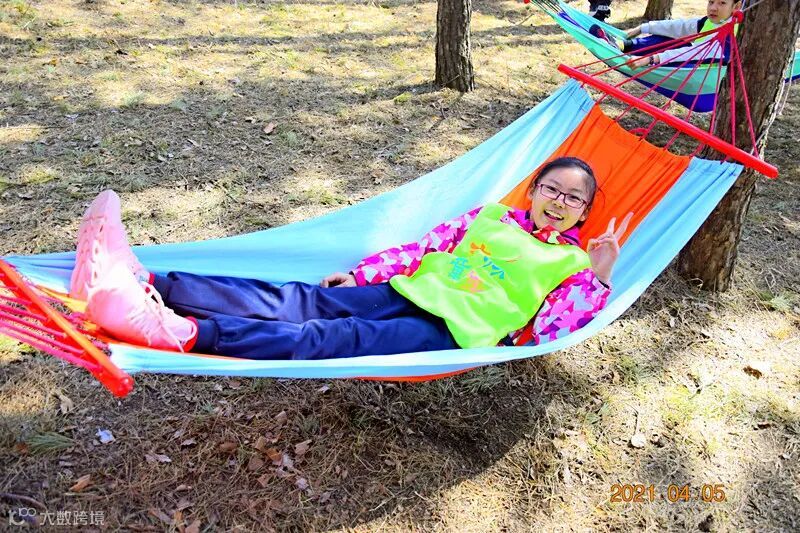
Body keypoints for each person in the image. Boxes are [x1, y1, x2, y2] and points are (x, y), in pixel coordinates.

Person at [69, 157, 631, 360]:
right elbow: (423, 248)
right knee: (299, 300)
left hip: (452, 331)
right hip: (404, 291)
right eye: (552, 189)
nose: (560, 201)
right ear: (533, 191)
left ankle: (184, 333)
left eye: (573, 198)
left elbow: (548, 333)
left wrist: (599, 275)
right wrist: (363, 274)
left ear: (583, 213)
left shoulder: (573, 265)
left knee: (333, 338)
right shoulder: (491, 217)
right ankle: (148, 278)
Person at [589, 0, 742, 68]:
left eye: (722, 3)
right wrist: (643, 28)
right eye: (711, 2)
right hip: (689, 64)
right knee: (670, 37)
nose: (713, 8)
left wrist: (653, 59)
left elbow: (697, 53)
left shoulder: (736, 33)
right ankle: (622, 45)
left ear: (736, 6)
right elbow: (678, 27)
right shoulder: (708, 21)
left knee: (678, 48)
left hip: (697, 76)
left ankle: (625, 48)